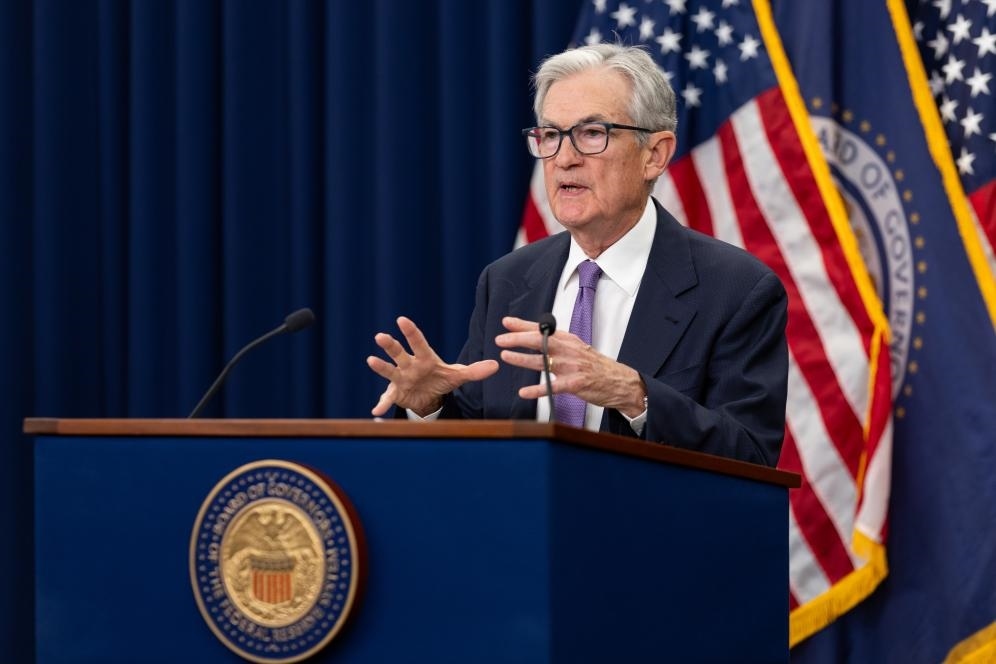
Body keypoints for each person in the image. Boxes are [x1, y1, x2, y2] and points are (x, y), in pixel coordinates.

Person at [367, 43, 788, 467]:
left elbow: (751, 455)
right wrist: (429, 407)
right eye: (551, 135)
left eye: (592, 134)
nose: (564, 159)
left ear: (654, 154)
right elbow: (481, 443)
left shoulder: (736, 290)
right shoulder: (507, 280)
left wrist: (634, 394)